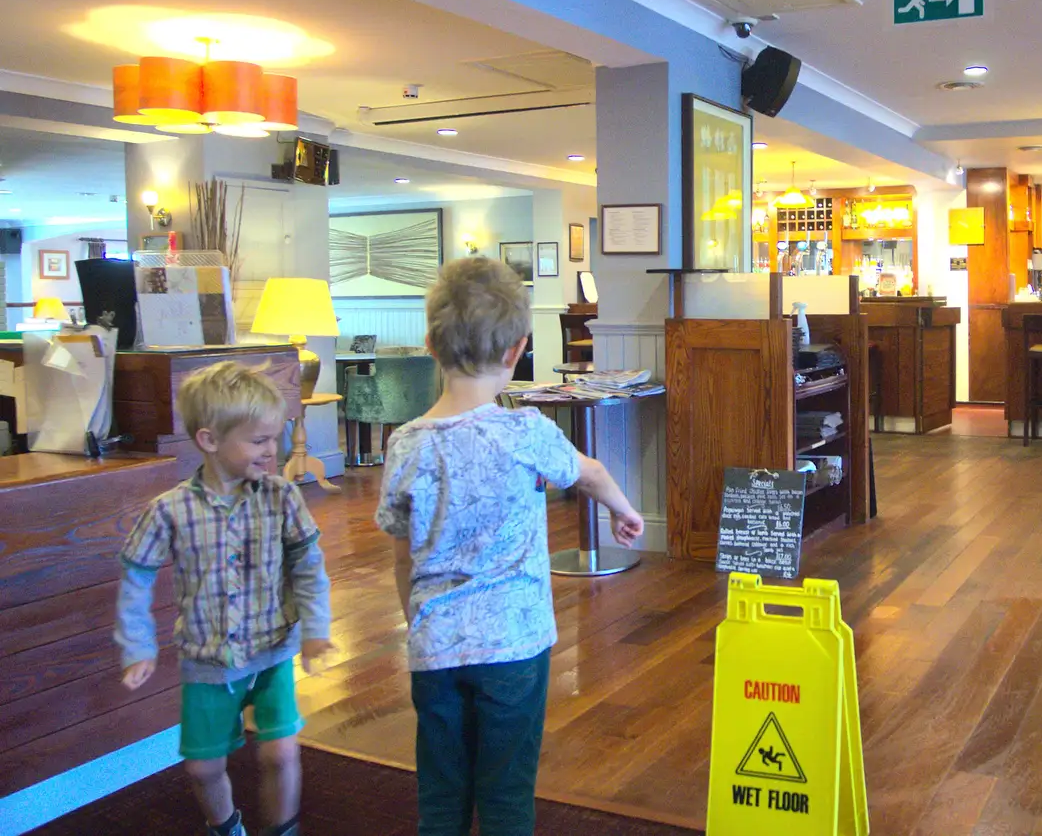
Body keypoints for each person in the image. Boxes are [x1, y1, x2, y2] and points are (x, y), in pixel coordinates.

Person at [375, 256, 645, 835]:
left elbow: (402, 558)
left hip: (435, 647)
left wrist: (420, 621)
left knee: (441, 796)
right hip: (515, 646)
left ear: (429, 343)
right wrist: (623, 510)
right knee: (505, 796)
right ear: (517, 350)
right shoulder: (526, 430)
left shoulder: (404, 445)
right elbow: (590, 473)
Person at [116, 361, 333, 836]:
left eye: (274, 438)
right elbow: (136, 576)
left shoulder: (282, 497)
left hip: (272, 650)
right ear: (210, 441)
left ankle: (282, 829)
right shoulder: (169, 511)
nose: (271, 451)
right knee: (203, 768)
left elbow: (309, 566)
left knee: (280, 751)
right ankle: (226, 826)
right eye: (258, 441)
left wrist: (316, 630)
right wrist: (137, 645)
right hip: (207, 660)